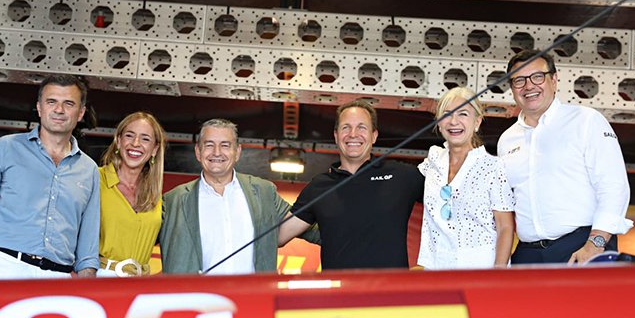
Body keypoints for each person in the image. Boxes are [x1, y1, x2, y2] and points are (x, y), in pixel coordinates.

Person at [0, 74, 99, 279]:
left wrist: (86, 291)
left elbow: (88, 245)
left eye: (68, 103)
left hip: (58, 276)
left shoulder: (89, 169)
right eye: (51, 102)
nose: (59, 109)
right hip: (0, 266)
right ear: (39, 108)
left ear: (80, 112)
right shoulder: (6, 147)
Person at [497, 49, 633, 265]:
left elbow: (614, 186)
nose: (529, 86)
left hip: (581, 246)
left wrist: (596, 243)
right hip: (527, 254)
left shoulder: (586, 120)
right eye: (519, 80)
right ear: (512, 88)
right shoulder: (507, 140)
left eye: (537, 77)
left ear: (554, 80)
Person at [278, 99, 424, 269]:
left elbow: (447, 201)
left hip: (388, 286)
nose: (353, 134)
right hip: (339, 286)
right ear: (336, 135)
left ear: (374, 136)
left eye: (362, 127)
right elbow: (279, 236)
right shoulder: (319, 186)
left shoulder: (402, 176)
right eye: (346, 127)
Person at [159, 118, 318, 274]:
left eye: (225, 145)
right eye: (209, 145)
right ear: (198, 152)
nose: (217, 152)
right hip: (197, 292)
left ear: (237, 152)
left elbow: (308, 226)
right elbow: (145, 235)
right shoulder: (173, 200)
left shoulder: (264, 192)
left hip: (253, 291)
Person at [418, 87, 515, 269]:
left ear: (477, 122)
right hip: (436, 267)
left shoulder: (492, 167)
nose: (454, 121)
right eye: (447, 114)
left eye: (463, 114)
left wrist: (499, 273)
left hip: (481, 269)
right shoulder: (432, 161)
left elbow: (505, 227)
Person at [98, 112, 166, 277]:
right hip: (99, 277)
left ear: (155, 149)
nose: (135, 143)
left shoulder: (156, 195)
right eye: (129, 135)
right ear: (118, 141)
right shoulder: (94, 179)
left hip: (140, 283)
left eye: (145, 139)